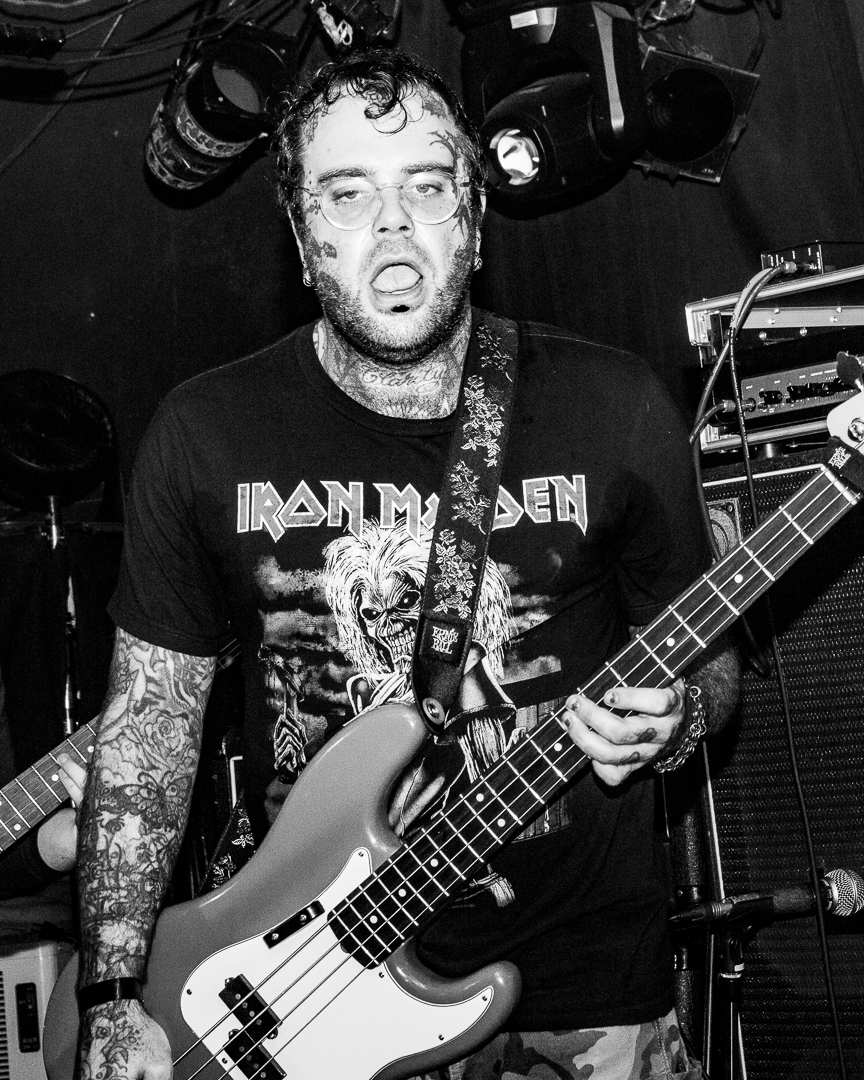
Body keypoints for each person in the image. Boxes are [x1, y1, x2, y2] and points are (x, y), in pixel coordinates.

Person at [74, 48, 739, 1080]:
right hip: (300, 996)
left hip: (592, 995)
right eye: (347, 195)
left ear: (475, 219)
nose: (392, 227)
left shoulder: (615, 405)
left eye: (427, 186)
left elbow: (710, 661)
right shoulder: (205, 433)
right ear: (301, 239)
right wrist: (115, 994)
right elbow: (146, 738)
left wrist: (679, 716)